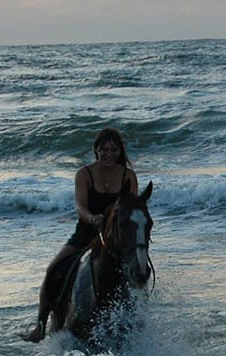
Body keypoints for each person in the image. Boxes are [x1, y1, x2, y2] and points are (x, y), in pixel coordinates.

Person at [22, 128, 139, 342]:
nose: (109, 154)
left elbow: (132, 209)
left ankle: (137, 320)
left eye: (113, 150)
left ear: (120, 151)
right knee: (54, 268)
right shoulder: (84, 174)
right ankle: (40, 324)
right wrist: (93, 219)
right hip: (86, 233)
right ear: (96, 150)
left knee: (137, 270)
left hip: (115, 239)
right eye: (104, 150)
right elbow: (81, 207)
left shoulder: (128, 176)